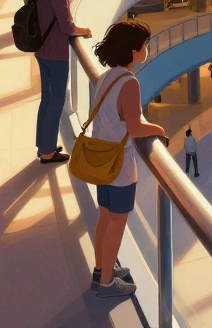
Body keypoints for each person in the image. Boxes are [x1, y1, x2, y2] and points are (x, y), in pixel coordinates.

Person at [89, 20, 167, 298]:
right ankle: (107, 282)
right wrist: (158, 129)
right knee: (118, 223)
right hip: (119, 166)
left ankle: (101, 268)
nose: (146, 49)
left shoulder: (106, 77)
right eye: (144, 45)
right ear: (134, 51)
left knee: (105, 218)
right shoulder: (129, 83)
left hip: (101, 160)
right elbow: (135, 127)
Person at [34, 0, 93, 163]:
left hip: (42, 50)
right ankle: (48, 151)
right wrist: (84, 30)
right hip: (56, 53)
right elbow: (66, 26)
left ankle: (44, 145)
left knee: (47, 100)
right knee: (56, 101)